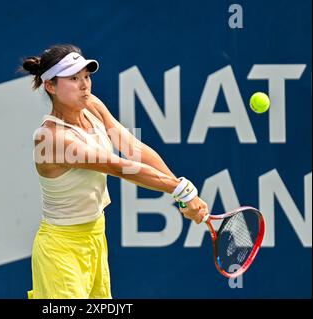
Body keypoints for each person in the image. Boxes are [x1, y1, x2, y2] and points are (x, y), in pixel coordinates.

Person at [20, 44, 208, 299]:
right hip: (60, 251)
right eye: (73, 78)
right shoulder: (52, 138)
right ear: (50, 86)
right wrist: (183, 191)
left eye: (86, 76)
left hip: (96, 238)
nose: (84, 84)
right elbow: (119, 166)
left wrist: (181, 192)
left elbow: (133, 149)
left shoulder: (92, 106)